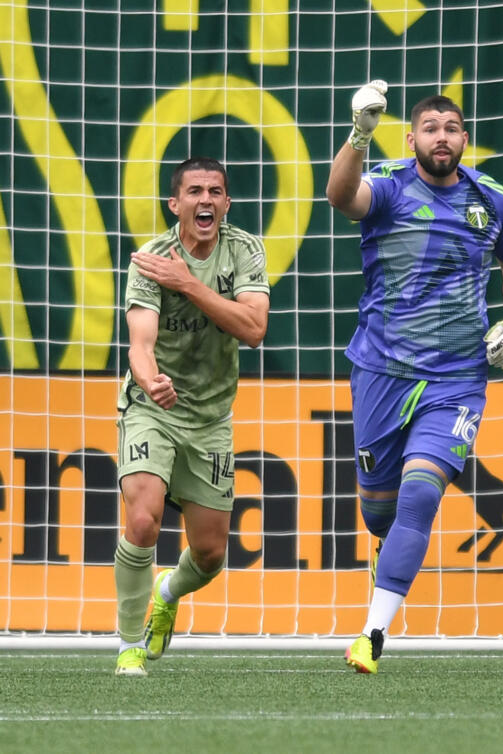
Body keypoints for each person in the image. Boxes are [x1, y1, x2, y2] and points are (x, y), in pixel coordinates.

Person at [325, 81, 503, 674]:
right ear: (411, 137)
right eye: (430, 129)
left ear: (464, 138)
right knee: (380, 516)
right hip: (382, 372)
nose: (441, 138)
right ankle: (384, 561)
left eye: (452, 129)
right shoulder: (389, 184)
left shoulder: (490, 200)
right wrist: (358, 134)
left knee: (422, 492)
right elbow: (341, 196)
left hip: (458, 378)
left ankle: (371, 633)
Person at [113, 157, 271, 676]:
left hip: (210, 418)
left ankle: (168, 591)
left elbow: (252, 328)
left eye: (216, 192)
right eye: (195, 191)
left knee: (209, 554)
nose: (206, 199)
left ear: (227, 203)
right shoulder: (151, 259)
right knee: (142, 519)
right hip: (153, 406)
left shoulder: (245, 249)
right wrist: (148, 377)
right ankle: (129, 644)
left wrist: (190, 285)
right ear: (174, 203)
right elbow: (139, 344)